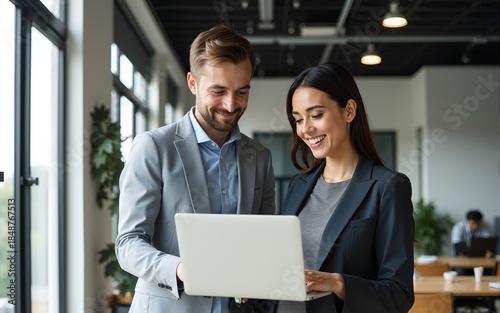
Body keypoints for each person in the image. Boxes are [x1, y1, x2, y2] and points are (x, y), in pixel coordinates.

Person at [115, 25, 276, 313]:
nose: (231, 104)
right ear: (192, 83)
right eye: (218, 91)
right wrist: (180, 269)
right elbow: (128, 243)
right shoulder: (152, 147)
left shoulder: (260, 157)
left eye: (241, 92)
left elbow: (262, 242)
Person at [277, 62, 415, 313]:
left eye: (316, 115)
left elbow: (399, 294)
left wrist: (338, 282)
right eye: (298, 119)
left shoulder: (388, 187)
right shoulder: (299, 185)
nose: (305, 129)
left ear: (349, 111)